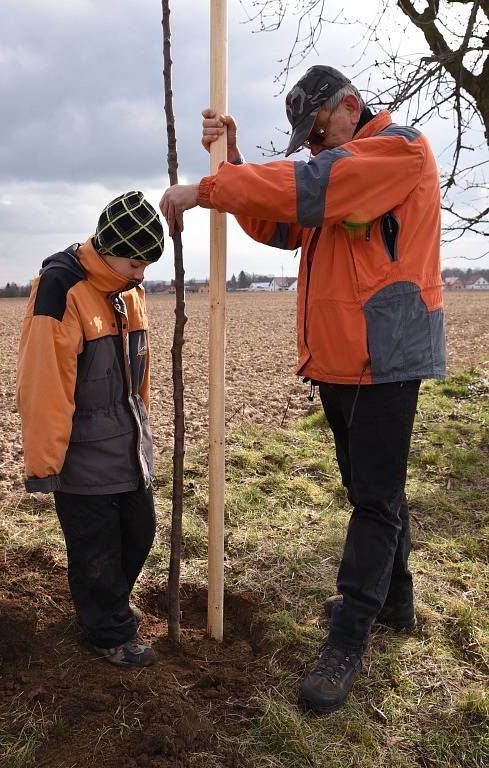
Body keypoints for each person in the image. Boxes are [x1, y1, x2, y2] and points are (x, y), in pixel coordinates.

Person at [159, 65, 446, 712]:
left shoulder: (397, 152)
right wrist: (231, 162)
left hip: (386, 359)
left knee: (373, 500)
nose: (314, 146)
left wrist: (208, 186)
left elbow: (309, 187)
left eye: (318, 130)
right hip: (337, 360)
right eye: (309, 138)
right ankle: (393, 600)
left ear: (349, 106)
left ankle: (349, 636)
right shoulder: (334, 167)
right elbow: (277, 223)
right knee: (372, 490)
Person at [17, 191, 164, 667]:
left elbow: (137, 375)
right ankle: (108, 633)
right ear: (107, 246)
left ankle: (109, 605)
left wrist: (142, 431)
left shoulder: (130, 292)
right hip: (82, 455)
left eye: (147, 263)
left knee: (140, 531)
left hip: (128, 447)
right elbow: (44, 383)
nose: (142, 273)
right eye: (135, 262)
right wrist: (45, 464)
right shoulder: (62, 288)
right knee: (96, 547)